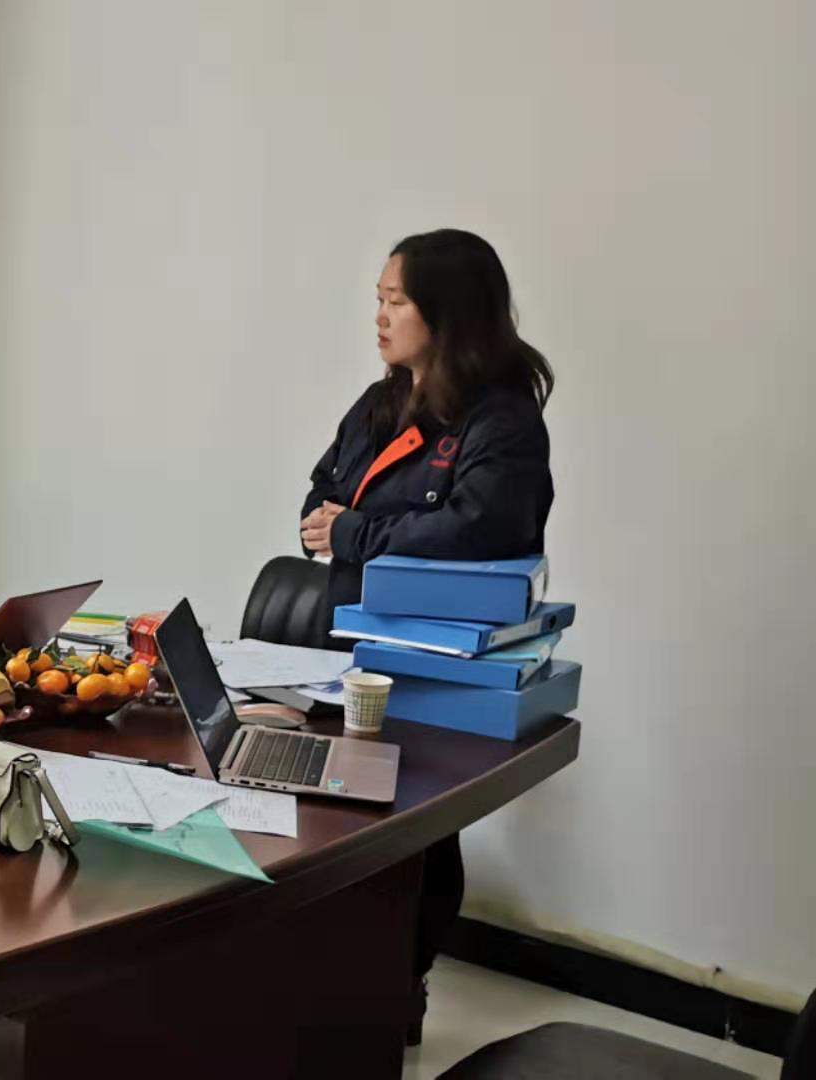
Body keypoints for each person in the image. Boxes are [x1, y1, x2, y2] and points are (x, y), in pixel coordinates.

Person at [299, 228, 555, 1042]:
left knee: (415, 829)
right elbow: (320, 497)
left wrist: (355, 533)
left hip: (439, 661)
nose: (378, 317)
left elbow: (479, 530)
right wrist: (340, 527)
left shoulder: (502, 419)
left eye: (395, 301)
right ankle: (325, 990)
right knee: (338, 817)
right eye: (376, 300)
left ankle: (398, 986)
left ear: (446, 313)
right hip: (351, 644)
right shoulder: (380, 403)